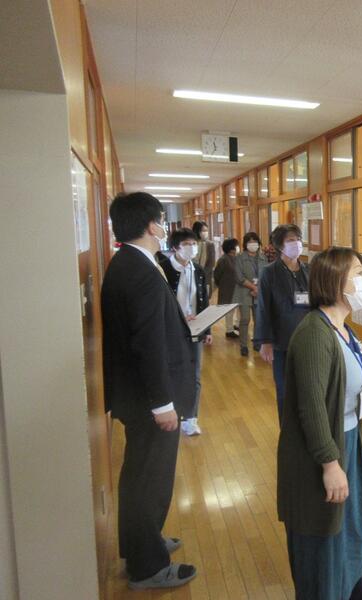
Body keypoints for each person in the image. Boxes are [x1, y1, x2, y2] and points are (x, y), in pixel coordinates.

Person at [277, 247, 362, 600]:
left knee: (352, 520)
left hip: (348, 438)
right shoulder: (315, 333)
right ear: (334, 281)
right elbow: (311, 408)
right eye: (357, 273)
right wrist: (330, 464)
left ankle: (355, 587)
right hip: (322, 448)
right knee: (324, 529)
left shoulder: (342, 327)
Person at [100, 192, 197, 590]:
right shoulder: (137, 269)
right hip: (148, 400)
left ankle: (143, 542)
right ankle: (147, 566)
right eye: (161, 219)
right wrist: (163, 404)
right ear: (151, 225)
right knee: (148, 480)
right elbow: (148, 343)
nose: (164, 227)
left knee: (141, 475)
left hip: (137, 395)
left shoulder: (131, 262)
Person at [255, 224, 311, 420]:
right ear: (280, 245)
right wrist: (265, 341)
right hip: (282, 340)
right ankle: (288, 430)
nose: (296, 244)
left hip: (307, 338)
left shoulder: (308, 270)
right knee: (285, 390)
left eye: (298, 239)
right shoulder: (269, 272)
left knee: (308, 388)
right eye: (290, 240)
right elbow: (263, 307)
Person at [160, 228, 212, 436]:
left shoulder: (197, 269)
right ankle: (172, 413)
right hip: (171, 330)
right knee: (172, 372)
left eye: (194, 244)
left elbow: (203, 300)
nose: (192, 248)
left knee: (194, 375)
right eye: (186, 244)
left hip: (195, 329)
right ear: (175, 248)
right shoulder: (163, 269)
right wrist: (180, 316)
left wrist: (207, 329)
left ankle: (191, 418)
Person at [234, 231, 268, 357]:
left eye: (255, 242)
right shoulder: (239, 258)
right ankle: (243, 345)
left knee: (258, 319)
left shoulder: (263, 258)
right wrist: (253, 287)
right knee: (245, 319)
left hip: (259, 292)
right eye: (250, 242)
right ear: (245, 244)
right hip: (244, 291)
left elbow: (266, 275)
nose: (253, 244)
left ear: (259, 243)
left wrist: (258, 289)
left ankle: (257, 342)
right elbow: (239, 277)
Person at [214, 238, 240, 338]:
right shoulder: (223, 260)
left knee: (239, 308)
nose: (237, 248)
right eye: (236, 246)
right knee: (229, 310)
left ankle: (237, 325)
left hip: (238, 288)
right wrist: (221, 284)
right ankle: (229, 330)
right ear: (231, 248)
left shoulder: (238, 258)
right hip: (227, 289)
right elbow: (217, 275)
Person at [192, 221, 215, 296]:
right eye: (203, 230)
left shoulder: (210, 244)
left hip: (205, 276)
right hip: (192, 274)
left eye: (206, 230)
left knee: (205, 297)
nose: (205, 233)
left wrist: (201, 274)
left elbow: (211, 263)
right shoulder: (191, 243)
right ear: (196, 231)